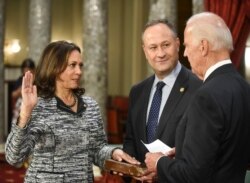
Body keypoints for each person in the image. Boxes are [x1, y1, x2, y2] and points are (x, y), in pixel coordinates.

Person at [5, 40, 139, 183]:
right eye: (72, 65)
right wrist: (25, 112)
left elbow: (97, 150)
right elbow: (14, 157)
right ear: (55, 68)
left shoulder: (91, 106)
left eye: (80, 65)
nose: (79, 71)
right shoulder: (38, 106)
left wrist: (113, 152)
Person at [144, 12, 250, 183]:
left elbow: (193, 175)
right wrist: (187, 150)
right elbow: (230, 148)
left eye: (186, 45)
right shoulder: (244, 88)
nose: (185, 53)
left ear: (203, 47)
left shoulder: (206, 96)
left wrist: (159, 162)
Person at [122, 19, 202, 180]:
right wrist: (131, 170)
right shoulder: (137, 91)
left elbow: (200, 149)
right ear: (145, 51)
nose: (160, 53)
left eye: (166, 45)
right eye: (153, 47)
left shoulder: (199, 89)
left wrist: (162, 171)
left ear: (178, 44)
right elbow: (131, 141)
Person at [11, 58, 36, 127]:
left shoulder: (37, 80)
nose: (27, 70)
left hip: (34, 105)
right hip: (21, 105)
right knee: (18, 125)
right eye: (25, 68)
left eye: (29, 68)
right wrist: (23, 88)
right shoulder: (20, 80)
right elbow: (13, 95)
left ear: (33, 69)